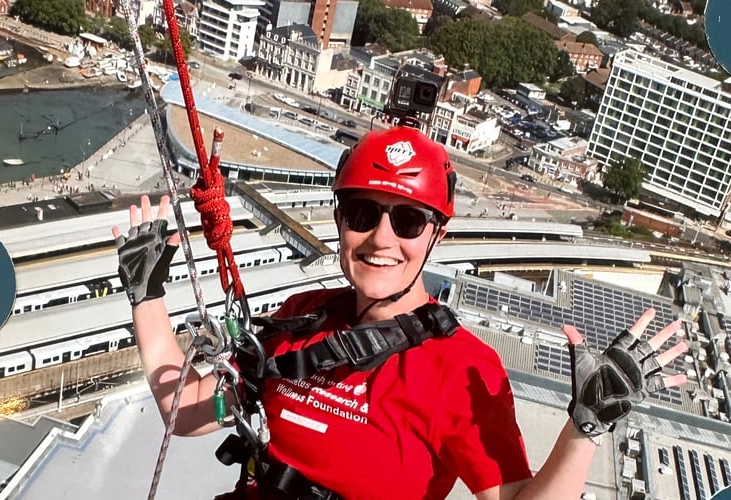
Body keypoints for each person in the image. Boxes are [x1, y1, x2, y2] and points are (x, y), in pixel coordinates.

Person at [112, 126, 688, 499]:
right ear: (340, 221)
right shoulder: (301, 318)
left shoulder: (461, 369)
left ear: (435, 235)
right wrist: (147, 297)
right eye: (363, 213)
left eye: (408, 221)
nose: (381, 238)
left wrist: (585, 430)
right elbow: (184, 411)